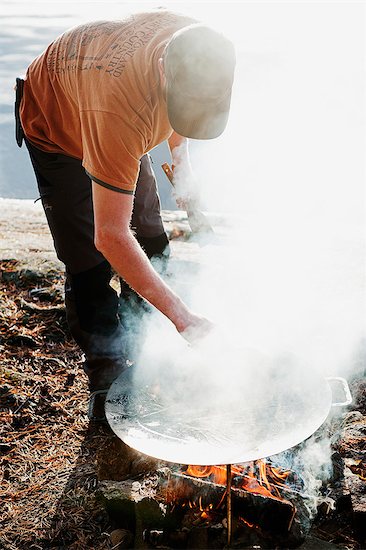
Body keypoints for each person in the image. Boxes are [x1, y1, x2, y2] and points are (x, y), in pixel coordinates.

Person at [15, 8, 236, 419]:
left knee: (150, 231)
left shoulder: (196, 42)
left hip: (114, 106)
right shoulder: (119, 114)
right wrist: (185, 318)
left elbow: (187, 102)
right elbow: (110, 236)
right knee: (88, 258)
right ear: (160, 71)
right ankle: (107, 368)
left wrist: (180, 158)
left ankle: (147, 338)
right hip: (58, 126)